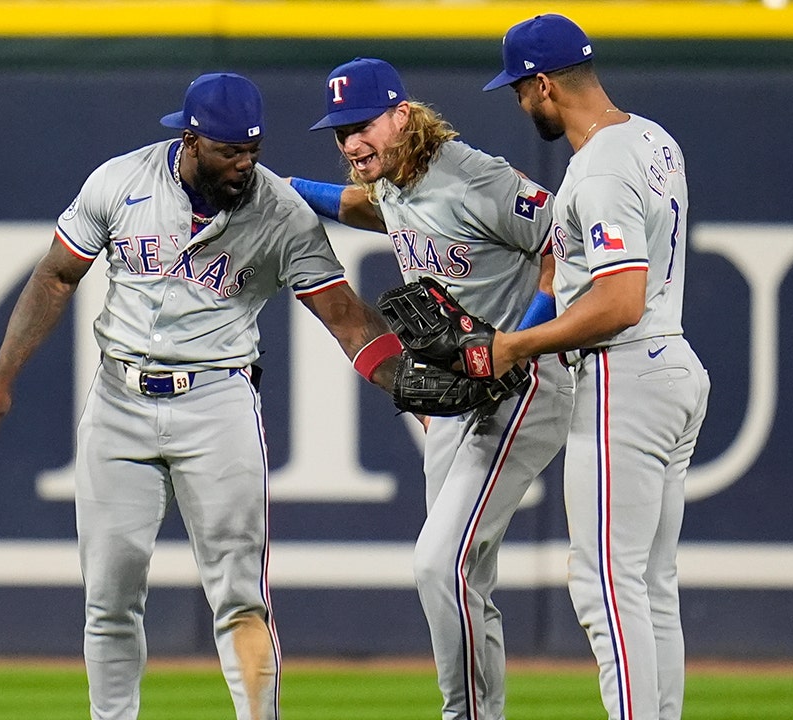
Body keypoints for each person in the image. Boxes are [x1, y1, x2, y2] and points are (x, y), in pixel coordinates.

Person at [0, 72, 402, 720]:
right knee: (109, 598)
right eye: (229, 150)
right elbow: (56, 276)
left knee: (240, 599)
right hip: (119, 401)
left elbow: (346, 316)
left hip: (217, 404)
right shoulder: (121, 181)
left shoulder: (278, 211)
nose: (244, 163)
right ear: (190, 139)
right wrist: (2, 376)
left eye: (252, 150)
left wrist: (415, 386)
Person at [288, 57, 573, 720]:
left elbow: (570, 241)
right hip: (455, 398)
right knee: (459, 575)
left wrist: (517, 343)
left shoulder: (477, 178)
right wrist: (284, 188)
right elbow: (366, 205)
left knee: (438, 564)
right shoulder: (394, 179)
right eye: (340, 131)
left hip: (521, 387)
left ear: (402, 114)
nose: (351, 142)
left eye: (362, 125)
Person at [483, 14, 712, 720]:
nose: (522, 103)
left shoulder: (601, 167)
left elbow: (617, 301)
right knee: (650, 580)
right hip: (672, 363)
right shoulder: (652, 138)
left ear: (544, 84)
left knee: (604, 583)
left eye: (522, 90)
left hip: (624, 373)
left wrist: (516, 345)